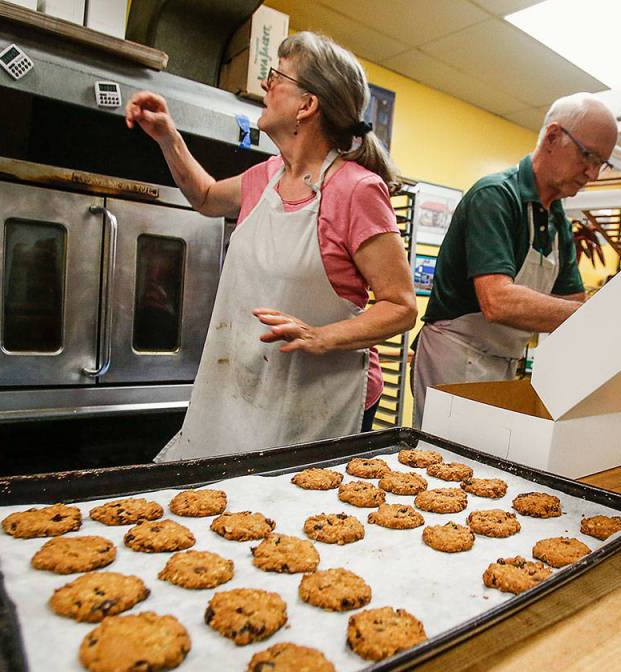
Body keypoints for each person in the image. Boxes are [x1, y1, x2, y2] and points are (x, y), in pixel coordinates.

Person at [125, 31, 417, 461]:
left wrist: (321, 336)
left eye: (276, 77)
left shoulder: (356, 190)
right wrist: (168, 136)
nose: (265, 84)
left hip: (324, 399)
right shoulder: (265, 177)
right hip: (252, 386)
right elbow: (205, 197)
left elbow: (402, 305)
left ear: (307, 104)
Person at [411, 93, 618, 428]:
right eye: (588, 156)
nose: (592, 173)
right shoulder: (495, 196)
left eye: (602, 163)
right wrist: (599, 315)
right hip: (456, 359)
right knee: (444, 457)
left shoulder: (557, 221)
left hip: (505, 363)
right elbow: (497, 301)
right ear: (552, 137)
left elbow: (572, 308)